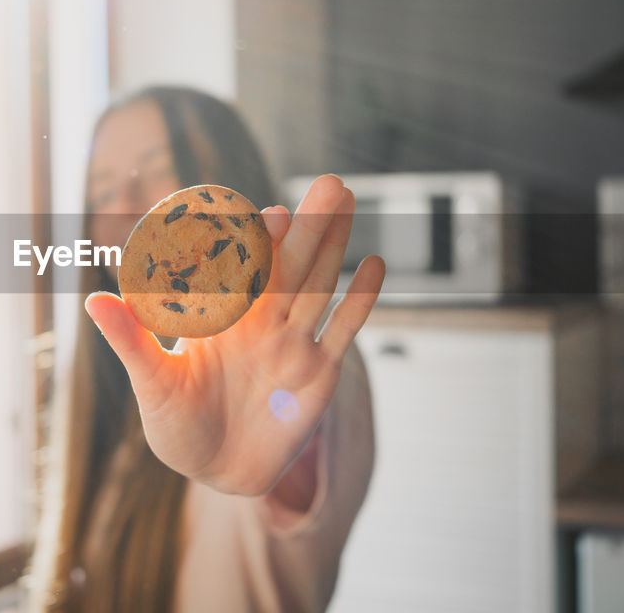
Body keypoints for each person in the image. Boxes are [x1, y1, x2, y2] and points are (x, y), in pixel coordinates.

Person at [27, 86, 385, 612]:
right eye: (101, 193)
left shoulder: (304, 368)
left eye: (160, 170)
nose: (126, 208)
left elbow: (293, 429)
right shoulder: (117, 395)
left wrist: (257, 467)